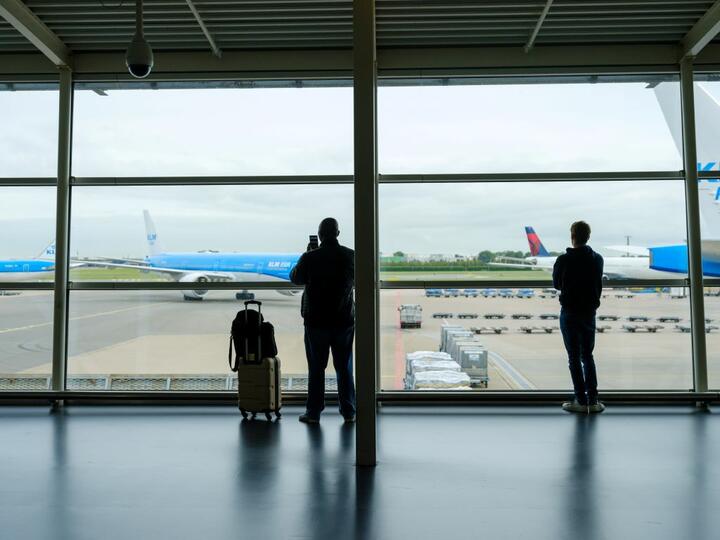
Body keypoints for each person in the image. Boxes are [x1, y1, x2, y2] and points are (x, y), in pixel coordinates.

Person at [290, 218, 356, 424]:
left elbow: (295, 278)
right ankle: (349, 411)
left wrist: (308, 254)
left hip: (316, 320)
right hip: (343, 319)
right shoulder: (350, 256)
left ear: (319, 235)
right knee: (344, 367)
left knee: (316, 368)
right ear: (337, 233)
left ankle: (314, 412)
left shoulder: (311, 257)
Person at [553, 221, 605, 414]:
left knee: (573, 358)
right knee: (587, 356)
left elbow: (557, 284)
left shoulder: (563, 260)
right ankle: (593, 400)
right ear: (588, 237)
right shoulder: (597, 259)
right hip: (589, 313)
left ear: (572, 236)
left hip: (569, 312)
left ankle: (580, 401)